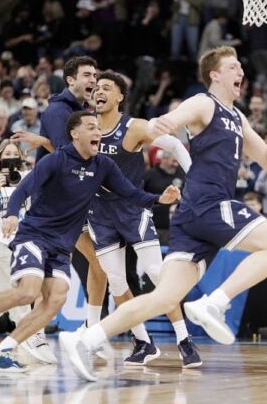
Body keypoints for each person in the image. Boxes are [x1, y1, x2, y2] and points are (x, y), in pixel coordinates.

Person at [60, 46, 267, 382]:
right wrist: (165, 123)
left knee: (163, 296)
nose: (241, 72)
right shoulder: (204, 102)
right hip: (207, 201)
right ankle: (215, 303)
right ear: (215, 74)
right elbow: (170, 122)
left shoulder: (237, 116)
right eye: (233, 66)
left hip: (192, 215)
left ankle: (83, 339)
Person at [0, 111, 180, 373]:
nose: (98, 132)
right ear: (75, 134)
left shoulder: (104, 166)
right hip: (35, 235)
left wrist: (159, 200)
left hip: (62, 247)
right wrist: (12, 215)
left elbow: (130, 193)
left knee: (56, 299)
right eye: (91, 127)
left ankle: (3, 350)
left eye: (99, 128)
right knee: (28, 291)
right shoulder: (57, 160)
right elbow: (24, 188)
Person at [89, 72, 201, 367]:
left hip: (131, 209)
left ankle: (183, 339)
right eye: (96, 88)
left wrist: (197, 184)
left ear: (119, 97)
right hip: (99, 213)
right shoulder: (85, 127)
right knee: (116, 282)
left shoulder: (133, 127)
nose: (98, 91)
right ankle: (143, 342)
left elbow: (176, 145)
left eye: (106, 88)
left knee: (155, 272)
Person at [12, 56, 108, 334]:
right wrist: (44, 142)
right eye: (87, 75)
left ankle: (88, 327)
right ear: (70, 80)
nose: (93, 80)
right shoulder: (58, 112)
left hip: (75, 197)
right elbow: (71, 157)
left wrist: (42, 141)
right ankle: (49, 332)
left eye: (95, 75)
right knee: (82, 266)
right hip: (55, 201)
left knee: (93, 265)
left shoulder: (83, 112)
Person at [0, 139, 54, 363]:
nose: (9, 157)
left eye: (13, 153)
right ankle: (30, 337)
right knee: (14, 291)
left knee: (22, 292)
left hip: (26, 239)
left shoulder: (28, 177)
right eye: (5, 153)